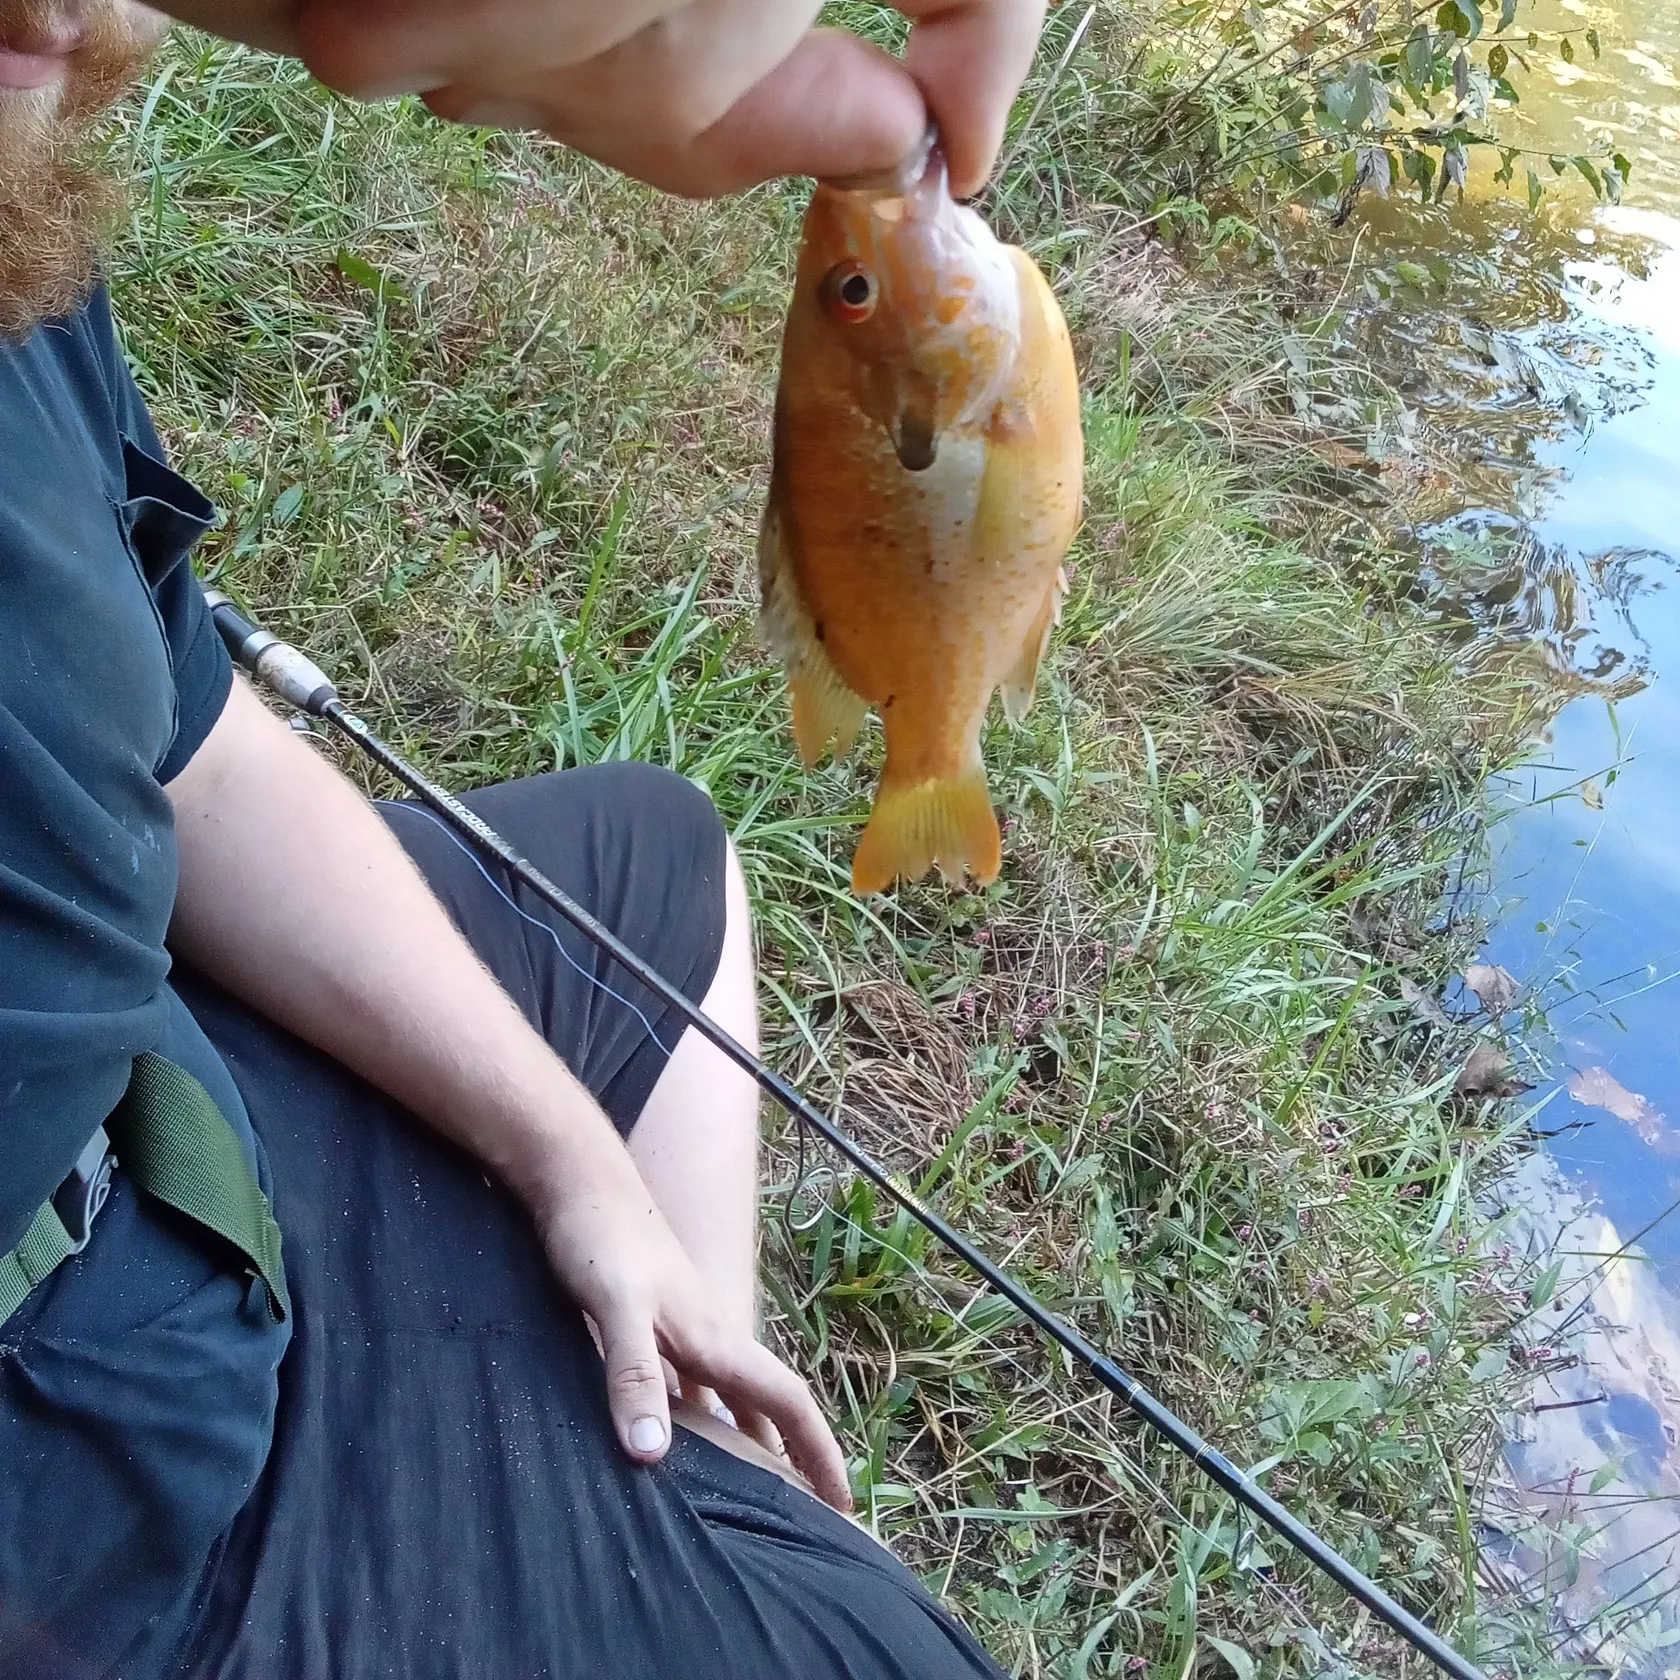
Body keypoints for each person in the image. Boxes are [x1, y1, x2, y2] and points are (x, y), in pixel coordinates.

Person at [0, 0, 1043, 1674]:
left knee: (659, 865)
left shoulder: (14, 208)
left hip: (147, 1108)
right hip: (100, 1490)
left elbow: (190, 742)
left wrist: (578, 1165)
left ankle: (686, 1449)